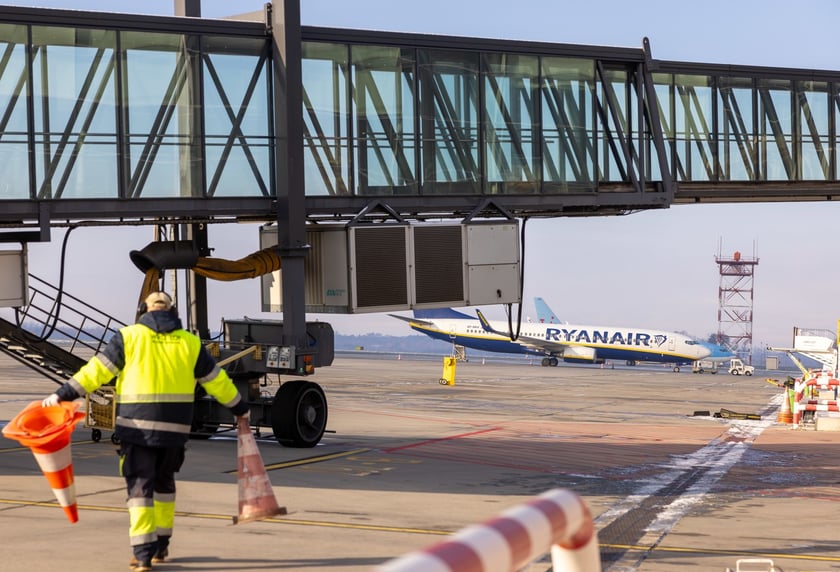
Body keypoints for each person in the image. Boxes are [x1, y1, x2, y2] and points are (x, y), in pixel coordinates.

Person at [42, 291, 250, 572]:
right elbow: (217, 382)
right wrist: (239, 408)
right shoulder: (190, 342)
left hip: (137, 431)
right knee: (165, 485)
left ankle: (142, 554)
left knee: (140, 489)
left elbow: (96, 372)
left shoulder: (129, 337)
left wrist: (63, 394)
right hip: (174, 433)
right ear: (172, 311)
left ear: (144, 310)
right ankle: (161, 546)